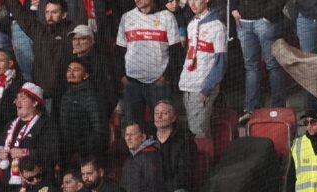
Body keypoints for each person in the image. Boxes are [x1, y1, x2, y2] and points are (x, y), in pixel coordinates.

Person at [117, 0, 180, 128]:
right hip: (132, 83)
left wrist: (165, 77)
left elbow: (176, 51)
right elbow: (119, 51)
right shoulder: (126, 17)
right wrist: (122, 77)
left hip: (158, 83)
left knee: (162, 127)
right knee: (134, 127)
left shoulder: (167, 16)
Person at [178, 0, 227, 139]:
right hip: (187, 84)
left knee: (198, 132)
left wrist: (207, 88)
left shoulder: (217, 26)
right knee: (194, 131)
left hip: (202, 87)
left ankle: (205, 160)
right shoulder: (192, 24)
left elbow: (220, 62)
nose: (192, 4)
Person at [233, 0, 284, 116]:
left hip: (264, 20)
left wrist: (268, 15)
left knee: (273, 66)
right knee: (251, 67)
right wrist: (233, 8)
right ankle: (250, 109)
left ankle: (279, 109)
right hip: (243, 21)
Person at [152, 101, 195, 192]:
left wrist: (162, 190)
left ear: (173, 118)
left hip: (176, 189)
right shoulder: (148, 141)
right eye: (156, 113)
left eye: (164, 113)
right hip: (153, 190)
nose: (159, 117)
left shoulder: (184, 141)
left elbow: (184, 175)